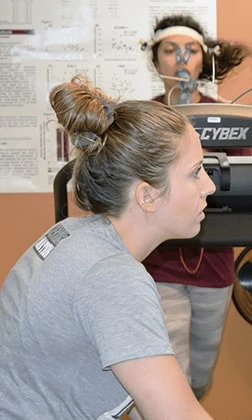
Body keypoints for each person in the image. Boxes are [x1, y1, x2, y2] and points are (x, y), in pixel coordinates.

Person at [0, 75, 215, 419]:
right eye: (196, 172)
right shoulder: (113, 278)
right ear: (147, 195)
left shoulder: (71, 235)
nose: (209, 186)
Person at [140, 14, 252, 401]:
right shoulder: (142, 120)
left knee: (199, 377)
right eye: (169, 51)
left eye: (189, 51)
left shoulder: (232, 119)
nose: (180, 59)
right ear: (156, 60)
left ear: (204, 60)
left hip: (214, 267)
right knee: (166, 380)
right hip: (158, 268)